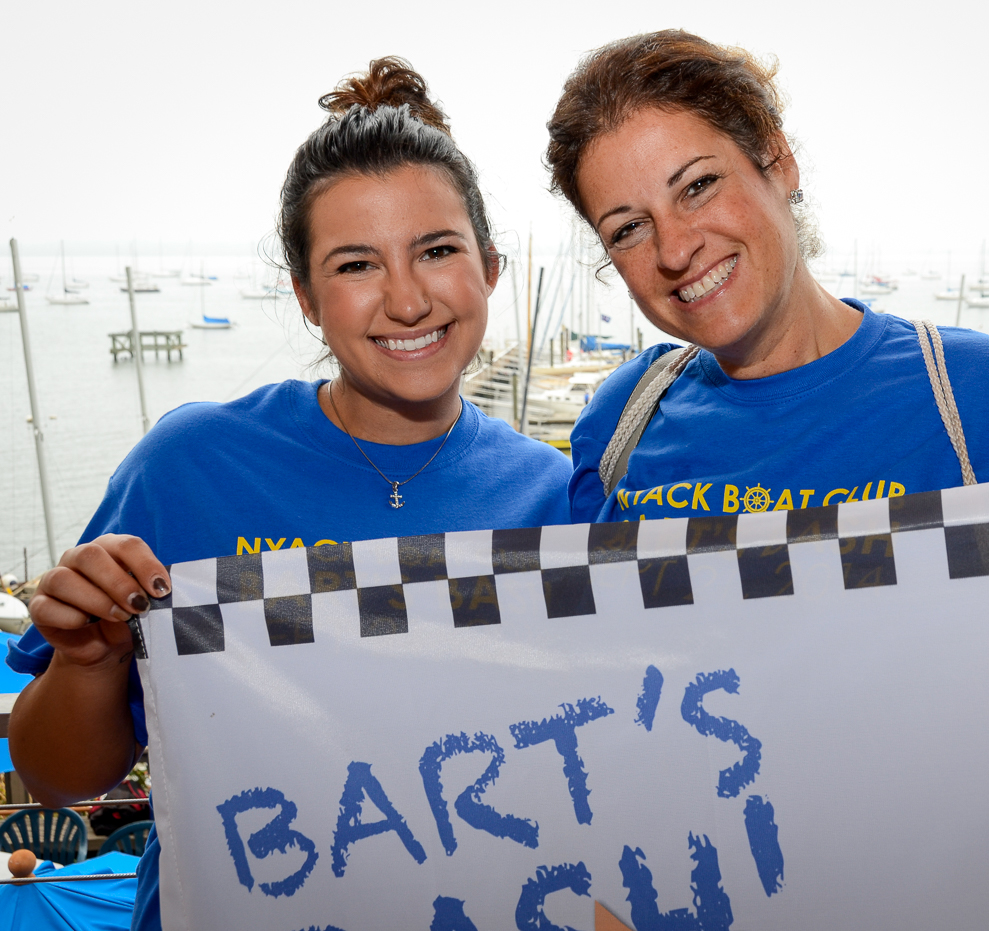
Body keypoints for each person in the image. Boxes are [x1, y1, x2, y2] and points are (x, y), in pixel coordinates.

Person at [6, 58, 570, 931]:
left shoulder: (556, 498)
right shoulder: (187, 466)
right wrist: (90, 661)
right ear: (306, 296)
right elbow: (56, 777)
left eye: (437, 250)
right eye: (356, 264)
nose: (407, 299)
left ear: (491, 268)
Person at [545, 30, 989, 523]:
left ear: (777, 160)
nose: (675, 249)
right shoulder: (621, 420)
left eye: (698, 186)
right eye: (629, 229)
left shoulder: (980, 395)